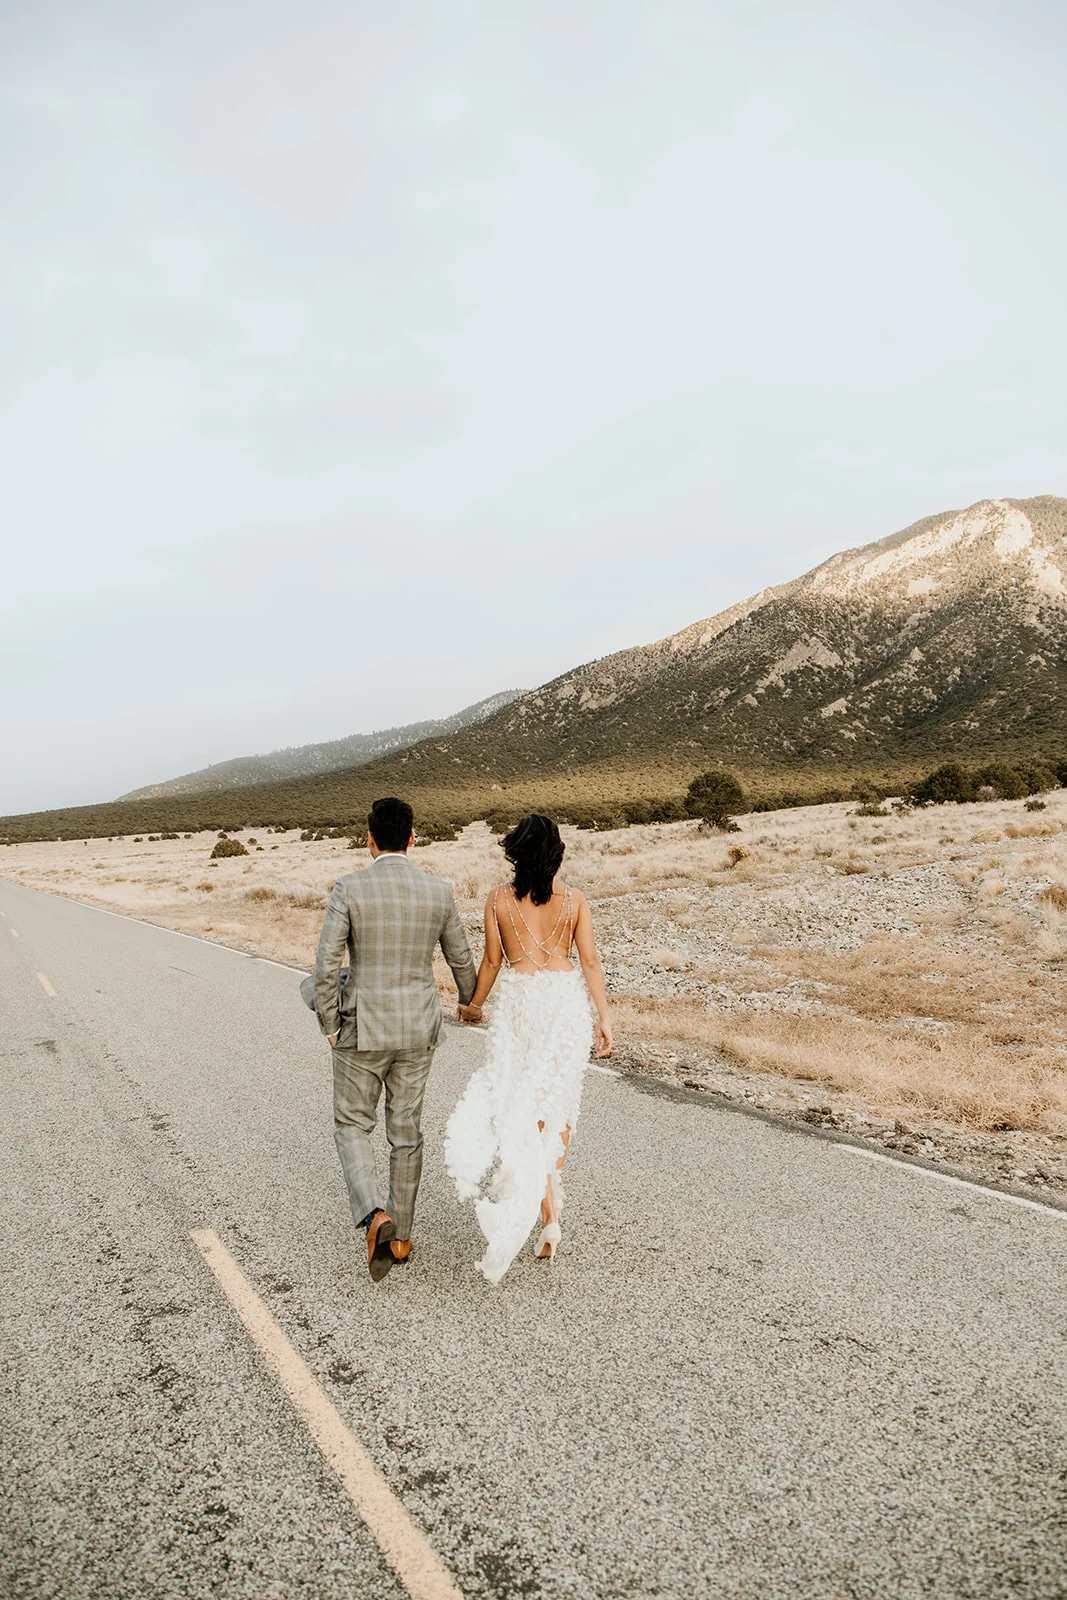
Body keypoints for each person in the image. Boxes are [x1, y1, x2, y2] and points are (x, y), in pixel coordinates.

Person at [312, 796, 477, 1281]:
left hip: (362, 1029)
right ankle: (401, 1238)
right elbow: (461, 959)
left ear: (369, 839)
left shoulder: (349, 888)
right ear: (411, 837)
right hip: (418, 1028)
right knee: (406, 1132)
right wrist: (470, 1002)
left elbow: (325, 964)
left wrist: (329, 1023)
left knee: (351, 1124)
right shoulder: (438, 891)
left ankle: (373, 1216)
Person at [444, 813, 612, 1283]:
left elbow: (494, 962)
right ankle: (550, 1216)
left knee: (523, 1111)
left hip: (520, 1004)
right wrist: (605, 1017)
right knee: (553, 1107)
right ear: (556, 854)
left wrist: (473, 1005)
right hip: (563, 1007)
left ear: (514, 853)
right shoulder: (576, 901)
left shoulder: (498, 899)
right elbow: (591, 961)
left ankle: (546, 1211)